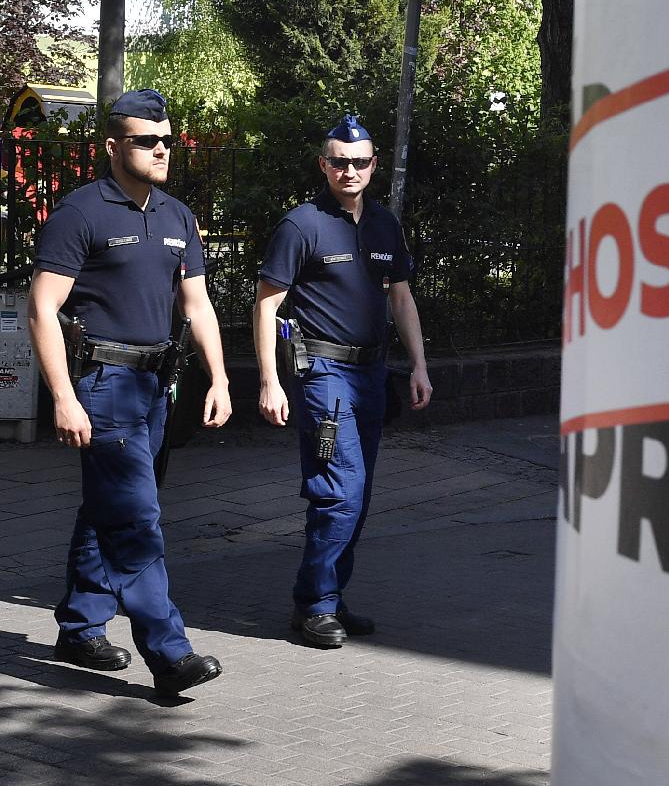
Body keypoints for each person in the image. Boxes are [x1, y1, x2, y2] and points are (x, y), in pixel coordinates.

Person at [28, 88, 231, 697]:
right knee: (137, 518)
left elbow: (197, 304)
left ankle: (80, 627)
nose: (162, 150)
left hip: (156, 384)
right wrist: (63, 396)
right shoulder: (81, 213)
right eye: (148, 142)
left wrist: (220, 377)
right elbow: (42, 308)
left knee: (108, 509)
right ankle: (169, 653)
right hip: (105, 385)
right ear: (114, 147)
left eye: (167, 140)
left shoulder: (176, 215)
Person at [255, 114, 431, 648]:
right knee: (339, 491)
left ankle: (327, 595)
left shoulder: (384, 224)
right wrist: (270, 381)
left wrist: (419, 365)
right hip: (323, 374)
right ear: (323, 165)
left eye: (359, 162)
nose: (349, 170)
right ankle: (316, 605)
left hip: (371, 374)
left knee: (360, 491)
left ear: (374, 165)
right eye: (339, 162)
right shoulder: (301, 226)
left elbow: (401, 297)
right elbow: (266, 306)